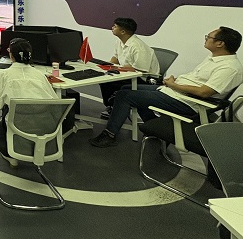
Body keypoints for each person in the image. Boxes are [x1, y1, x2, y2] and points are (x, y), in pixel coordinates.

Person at [90, 26, 243, 147]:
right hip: (176, 92)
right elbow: (197, 80)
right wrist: (176, 81)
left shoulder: (229, 67)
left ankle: (110, 134)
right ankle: (152, 126)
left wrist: (174, 85)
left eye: (208, 37)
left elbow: (204, 92)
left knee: (125, 96)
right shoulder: (214, 59)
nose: (206, 39)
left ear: (220, 43)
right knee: (126, 89)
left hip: (186, 101)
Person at [99, 18, 160, 119]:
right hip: (129, 73)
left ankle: (116, 107)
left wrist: (118, 68)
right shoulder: (119, 42)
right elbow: (115, 57)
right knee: (104, 78)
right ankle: (112, 106)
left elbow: (140, 69)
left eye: (115, 26)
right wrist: (108, 66)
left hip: (144, 79)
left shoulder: (138, 46)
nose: (112, 27)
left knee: (110, 82)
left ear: (123, 32)